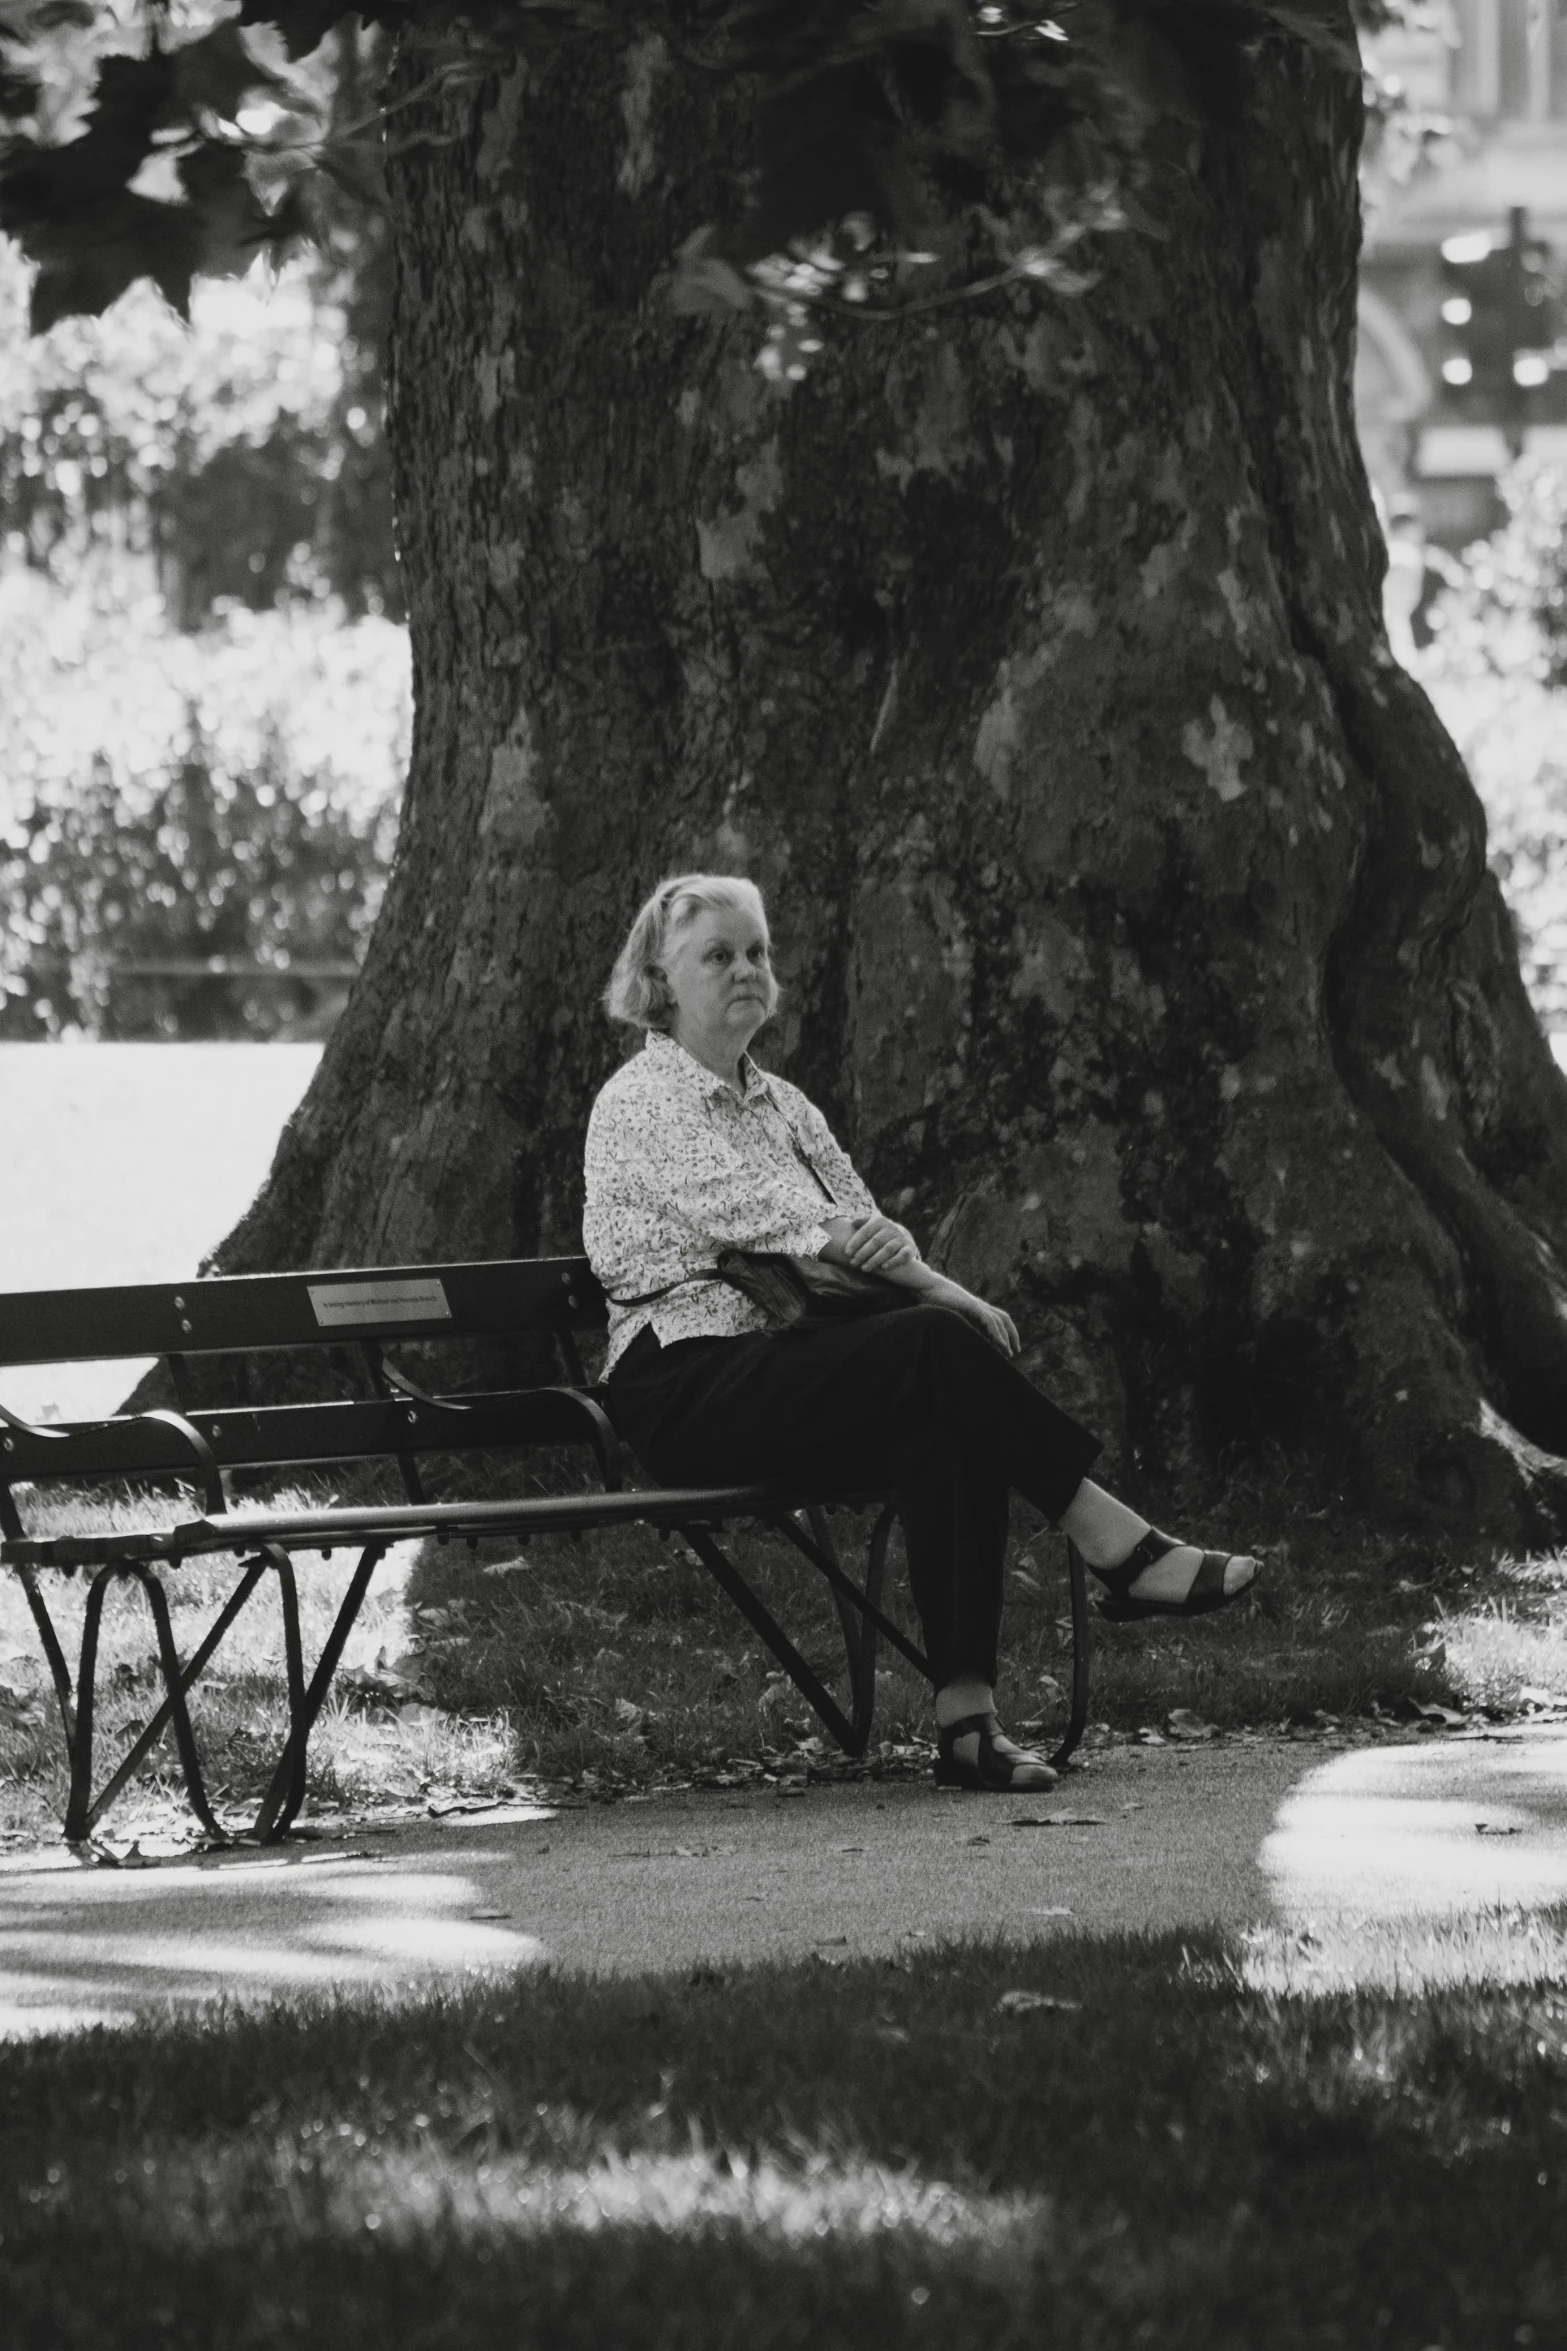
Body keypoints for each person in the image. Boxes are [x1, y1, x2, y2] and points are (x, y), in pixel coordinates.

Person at [583, 872, 1258, 1793]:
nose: (745, 970)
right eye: (717, 956)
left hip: (783, 1362)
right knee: (937, 1341)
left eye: (757, 953)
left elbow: (864, 1231)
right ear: (660, 980)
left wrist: (906, 1272)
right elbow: (786, 1218)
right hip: (686, 1381)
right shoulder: (643, 1101)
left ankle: (967, 1723)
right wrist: (946, 1292)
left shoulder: (783, 1105)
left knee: (947, 1422)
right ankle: (1117, 1543)